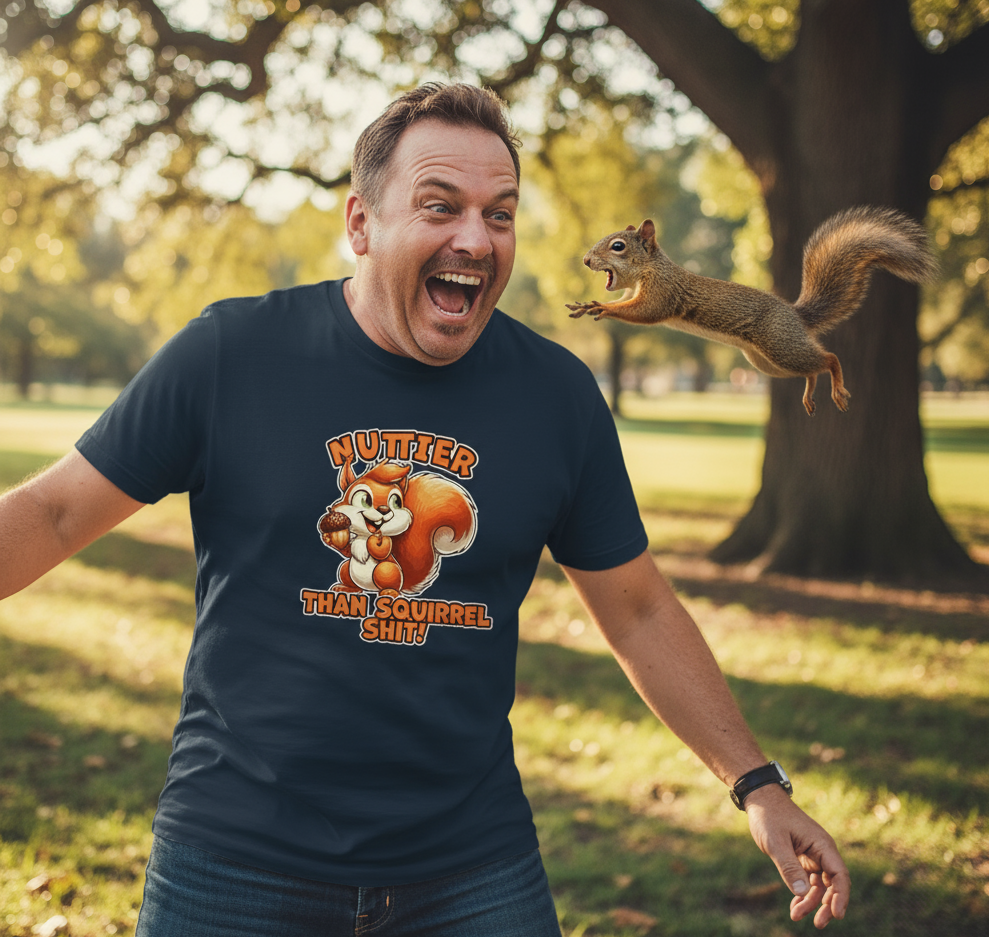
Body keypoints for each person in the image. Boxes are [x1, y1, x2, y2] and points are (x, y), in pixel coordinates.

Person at [0, 83, 849, 935]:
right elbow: (55, 514)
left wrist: (757, 785)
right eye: (439, 206)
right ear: (361, 224)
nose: (474, 239)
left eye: (500, 213)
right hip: (233, 869)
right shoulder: (230, 355)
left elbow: (635, 609)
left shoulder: (556, 396)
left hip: (471, 877)